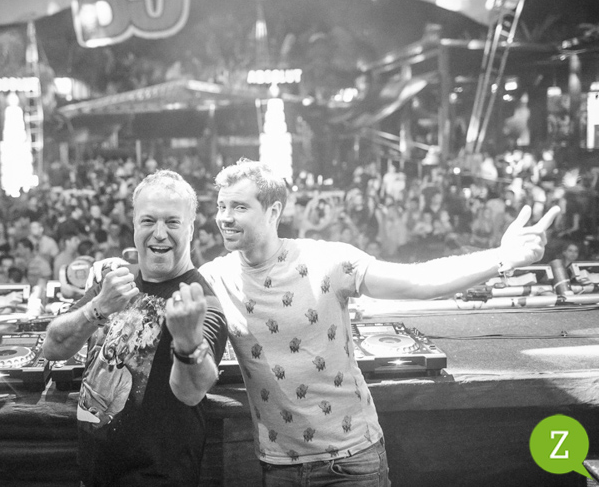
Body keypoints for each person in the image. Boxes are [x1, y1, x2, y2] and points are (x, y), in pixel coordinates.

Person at [193, 159, 559, 486]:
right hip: (278, 466)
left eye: (239, 207)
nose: (224, 217)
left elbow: (418, 280)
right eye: (222, 206)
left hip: (350, 462)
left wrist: (502, 258)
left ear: (273, 211)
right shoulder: (214, 278)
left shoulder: (326, 260)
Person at [43, 170, 228, 487]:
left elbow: (191, 392)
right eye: (148, 221)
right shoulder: (116, 281)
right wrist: (97, 307)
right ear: (134, 226)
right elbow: (53, 347)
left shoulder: (200, 301)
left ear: (191, 229)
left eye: (172, 222)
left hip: (157, 477)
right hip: (94, 468)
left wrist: (187, 341)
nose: (159, 233)